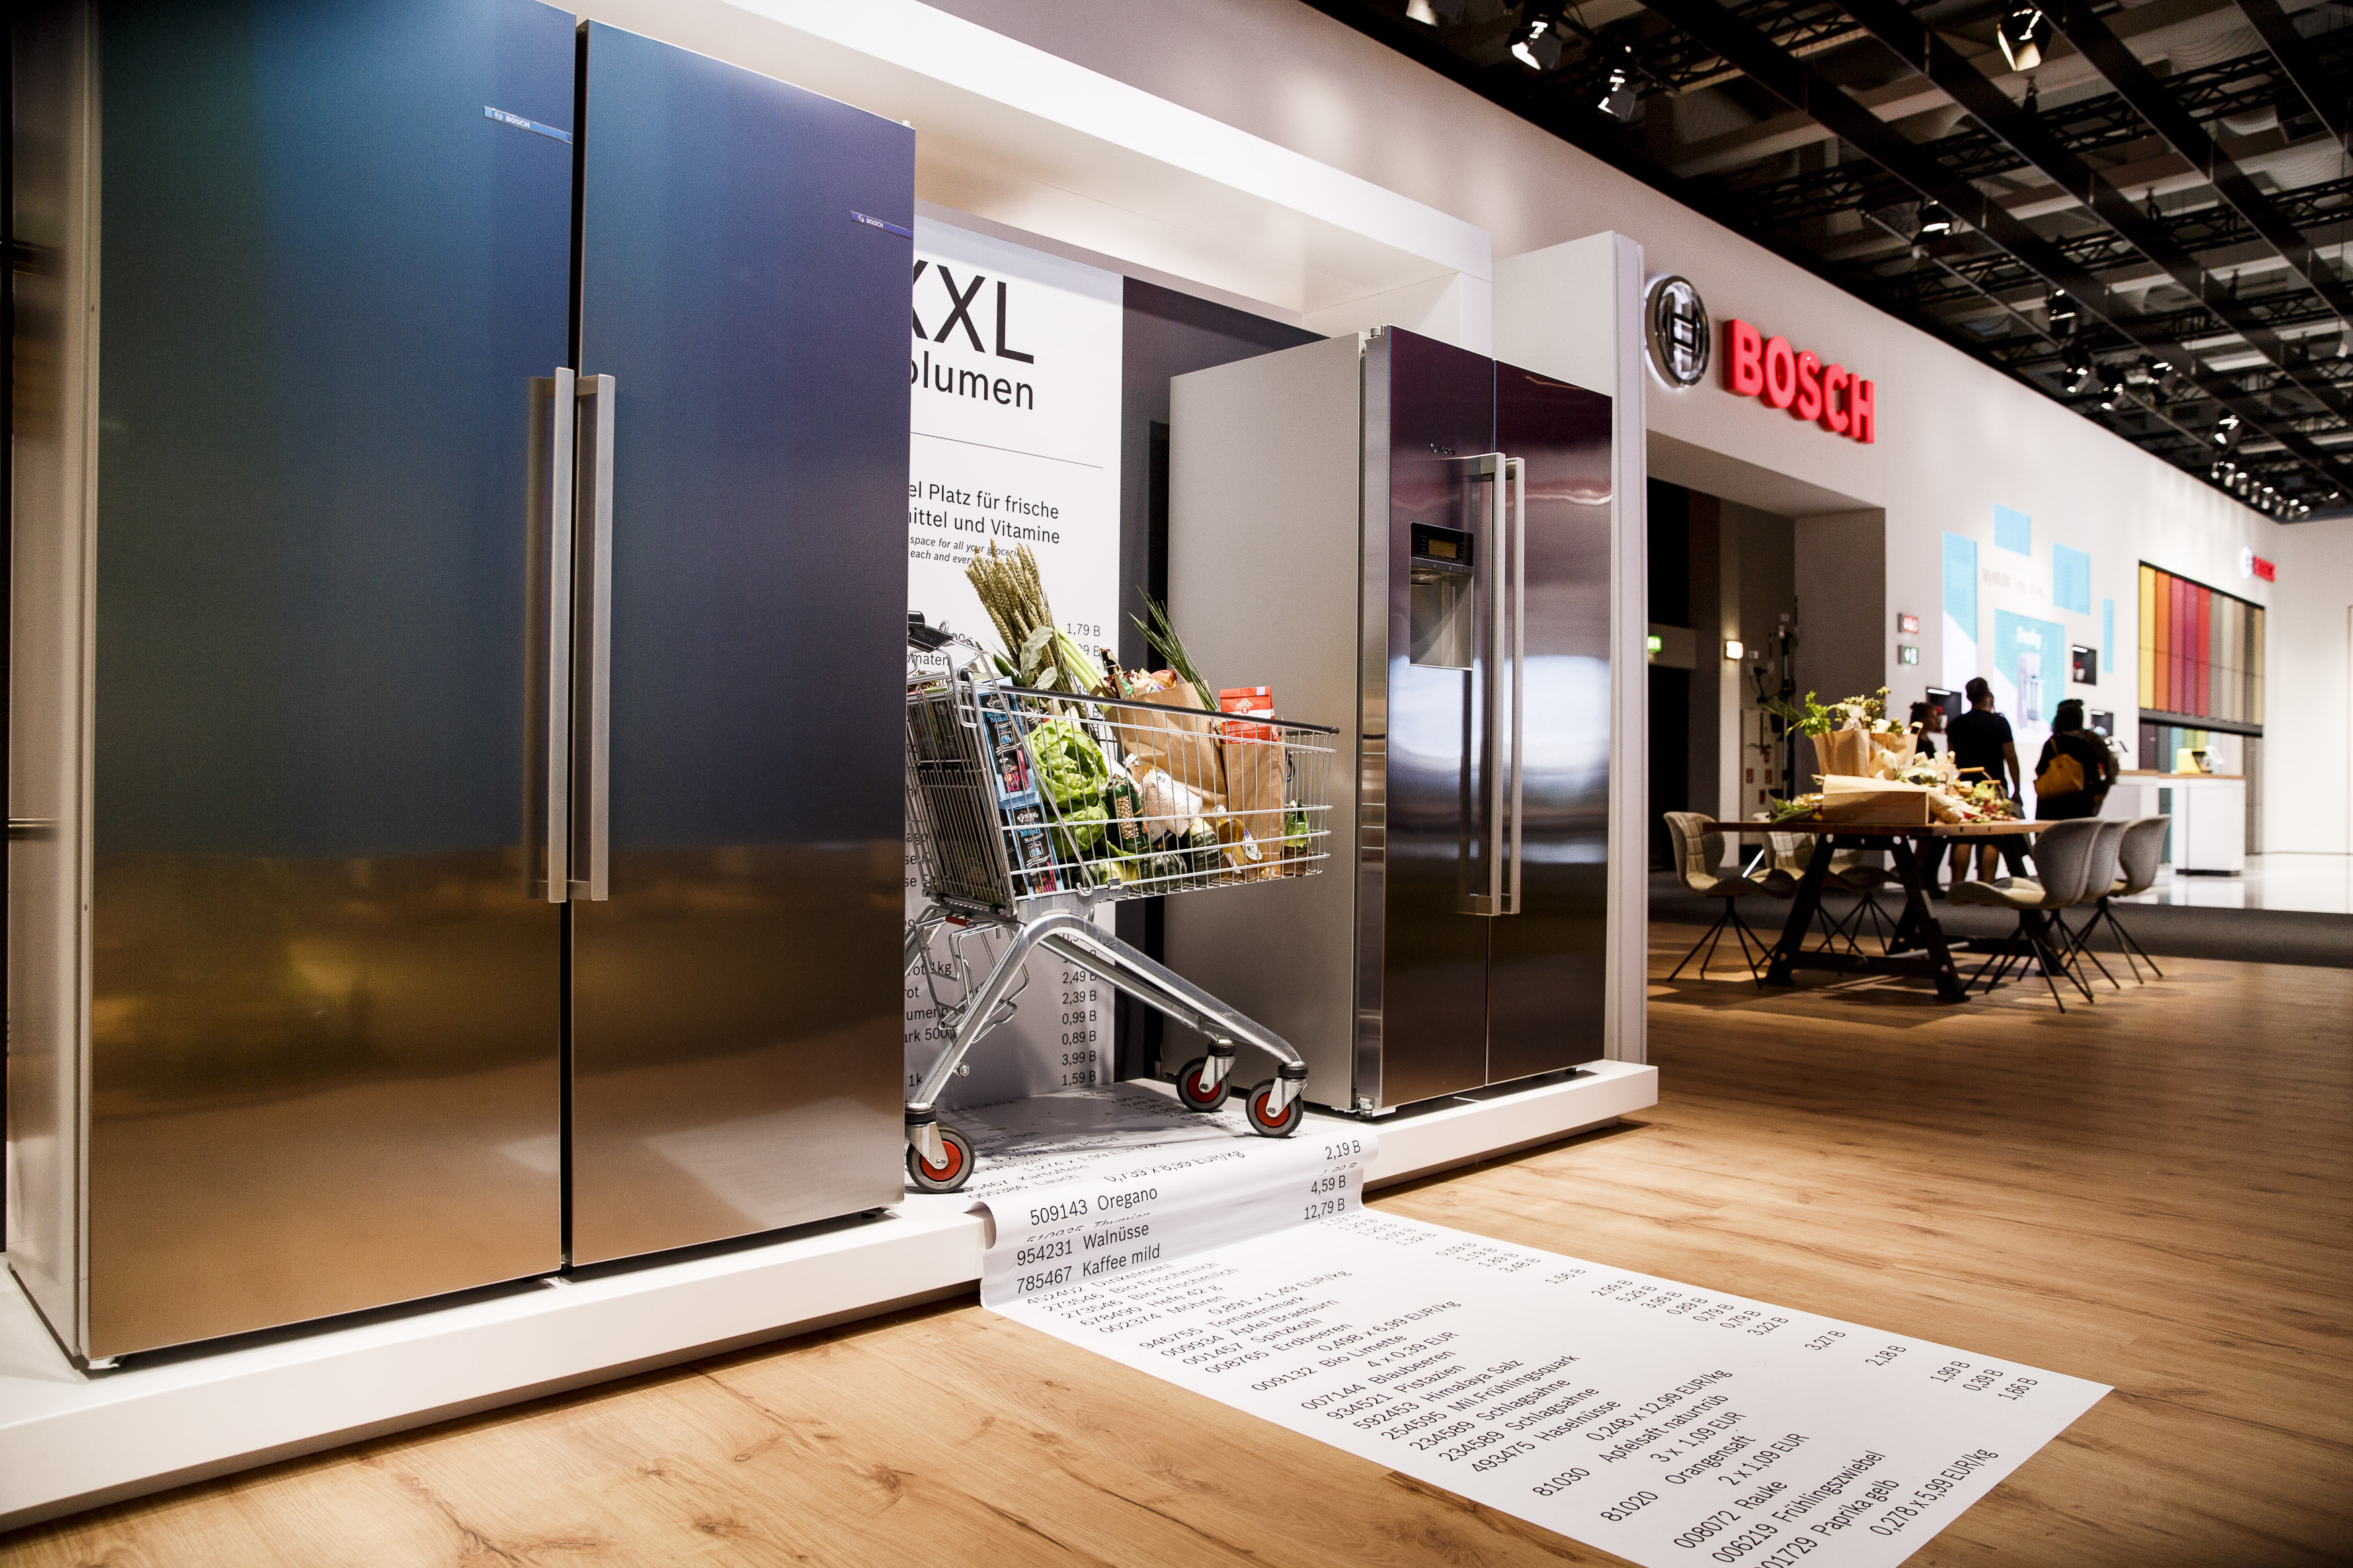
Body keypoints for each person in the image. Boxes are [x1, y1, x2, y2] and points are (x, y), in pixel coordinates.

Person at [1946, 677, 2028, 882]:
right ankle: (1986, 886)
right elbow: (2011, 756)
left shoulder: (1956, 724)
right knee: (1993, 837)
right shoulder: (1999, 723)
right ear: (1988, 696)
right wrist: (2017, 788)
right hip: (1994, 787)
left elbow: (1951, 759)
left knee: (1963, 836)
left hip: (1964, 787)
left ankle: (1958, 887)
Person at [2033, 700, 2117, 821]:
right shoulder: (2089, 743)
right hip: (2080, 806)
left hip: (2051, 807)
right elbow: (2100, 771)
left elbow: (2040, 770)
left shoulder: (2052, 743)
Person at [1909, 700, 1950, 897]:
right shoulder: (1914, 740)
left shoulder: (1926, 740)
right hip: (1919, 795)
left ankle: (1927, 882)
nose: (1936, 721)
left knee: (1933, 841)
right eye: (1933, 717)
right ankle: (1919, 883)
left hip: (1930, 793)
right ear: (1922, 719)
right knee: (1926, 842)